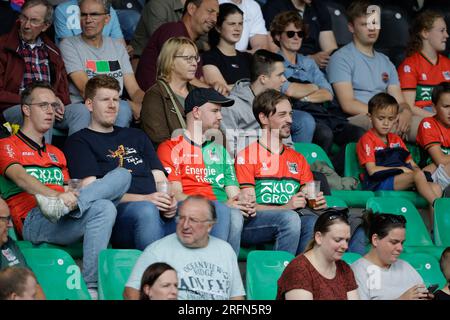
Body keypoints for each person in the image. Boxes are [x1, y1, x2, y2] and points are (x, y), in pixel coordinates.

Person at [0, 81, 131, 297]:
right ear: (25, 109)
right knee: (102, 206)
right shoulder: (7, 145)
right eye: (43, 105)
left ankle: (91, 287)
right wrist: (57, 196)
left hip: (66, 213)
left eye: (53, 106)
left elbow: (69, 189)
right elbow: (21, 178)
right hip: (33, 220)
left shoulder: (56, 153)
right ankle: (92, 281)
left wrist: (70, 198)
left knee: (121, 178)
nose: (51, 111)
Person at [64, 75, 177, 251]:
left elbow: (160, 179)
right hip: (121, 214)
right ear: (89, 104)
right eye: (105, 100)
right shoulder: (79, 141)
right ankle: (154, 273)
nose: (112, 105)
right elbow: (93, 192)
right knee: (146, 210)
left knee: (201, 210)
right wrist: (146, 200)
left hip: (155, 206)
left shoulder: (136, 135)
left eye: (116, 99)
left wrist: (169, 201)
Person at [157, 87, 246, 255]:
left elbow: (234, 194)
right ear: (196, 112)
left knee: (236, 213)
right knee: (229, 213)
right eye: (215, 111)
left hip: (225, 210)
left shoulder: (221, 151)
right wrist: (219, 206)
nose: (220, 116)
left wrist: (243, 201)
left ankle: (225, 272)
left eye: (220, 111)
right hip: (191, 212)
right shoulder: (170, 148)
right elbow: (175, 194)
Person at [234, 89, 324, 255]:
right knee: (290, 218)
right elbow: (248, 208)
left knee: (314, 221)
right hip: (253, 223)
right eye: (282, 115)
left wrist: (315, 201)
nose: (290, 120)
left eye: (290, 114)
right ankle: (281, 274)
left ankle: (302, 273)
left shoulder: (298, 159)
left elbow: (310, 196)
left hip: (291, 218)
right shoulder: (246, 156)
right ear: (263, 118)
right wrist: (286, 207)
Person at [270, 10, 364, 166]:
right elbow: (289, 90)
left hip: (322, 113)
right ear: (278, 36)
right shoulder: (274, 62)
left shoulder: (308, 63)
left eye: (300, 34)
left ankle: (332, 169)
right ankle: (316, 171)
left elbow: (328, 93)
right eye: (290, 33)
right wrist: (313, 86)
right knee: (324, 133)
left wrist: (305, 95)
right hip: (296, 114)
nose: (296, 37)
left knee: (358, 134)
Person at [327, 0, 422, 143]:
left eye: (374, 23)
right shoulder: (340, 58)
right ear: (351, 27)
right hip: (359, 117)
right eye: (365, 24)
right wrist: (385, 116)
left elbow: (400, 101)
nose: (371, 29)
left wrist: (406, 112)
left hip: (387, 116)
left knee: (430, 126)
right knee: (388, 127)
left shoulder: (386, 61)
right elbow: (348, 104)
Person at [124, 195, 246, 300]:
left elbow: (236, 296)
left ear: (209, 225)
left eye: (193, 220)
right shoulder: (157, 251)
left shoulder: (226, 250)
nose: (185, 225)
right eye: (181, 218)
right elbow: (130, 292)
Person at [59, 0, 144, 130]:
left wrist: (148, 104)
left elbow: (134, 90)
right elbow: (86, 89)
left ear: (107, 19)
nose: (88, 20)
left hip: (114, 104)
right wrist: (128, 104)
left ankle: (117, 149)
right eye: (83, 15)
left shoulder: (118, 47)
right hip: (83, 104)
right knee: (123, 109)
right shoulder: (69, 44)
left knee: (127, 109)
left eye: (94, 14)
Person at [222, 49, 315, 157]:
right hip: (249, 167)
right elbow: (230, 150)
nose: (284, 79)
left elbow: (287, 144)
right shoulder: (232, 106)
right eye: (279, 75)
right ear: (263, 79)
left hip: (278, 166)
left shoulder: (278, 103)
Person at [0, 0, 70, 141]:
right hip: (15, 107)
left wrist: (58, 101)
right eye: (24, 18)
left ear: (45, 26)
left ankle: (78, 159)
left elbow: (64, 93)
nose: (26, 25)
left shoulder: (53, 51)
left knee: (81, 112)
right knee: (42, 111)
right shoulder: (3, 46)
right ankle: (43, 161)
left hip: (50, 105)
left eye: (34, 21)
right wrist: (36, 101)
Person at [135, 0, 219, 92]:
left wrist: (215, 86)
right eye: (210, 11)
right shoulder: (173, 30)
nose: (214, 19)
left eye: (217, 15)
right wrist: (212, 92)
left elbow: (198, 81)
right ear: (191, 9)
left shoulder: (193, 45)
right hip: (156, 101)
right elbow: (182, 77)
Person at [276, 209, 360, 300]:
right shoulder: (298, 270)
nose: (345, 246)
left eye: (347, 240)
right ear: (319, 237)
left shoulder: (344, 268)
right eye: (338, 240)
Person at [351, 210, 430, 300]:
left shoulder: (405, 267)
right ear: (375, 240)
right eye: (394, 242)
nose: (400, 248)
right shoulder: (358, 272)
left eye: (402, 242)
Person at [140, 37, 197, 146]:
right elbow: (159, 141)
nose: (194, 63)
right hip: (174, 159)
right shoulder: (155, 95)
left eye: (195, 58)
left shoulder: (198, 93)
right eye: (188, 58)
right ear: (170, 61)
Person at [398, 10, 450, 116]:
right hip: (423, 118)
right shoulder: (410, 65)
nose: (447, 35)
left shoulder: (447, 63)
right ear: (425, 33)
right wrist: (438, 119)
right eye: (442, 30)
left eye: (446, 31)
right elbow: (409, 107)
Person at [262, 0, 338, 69]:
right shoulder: (273, 7)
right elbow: (274, 51)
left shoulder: (319, 7)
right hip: (286, 67)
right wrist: (310, 59)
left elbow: (330, 49)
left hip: (316, 68)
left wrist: (327, 58)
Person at [202, 3, 252, 94]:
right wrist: (251, 87)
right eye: (232, 24)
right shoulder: (209, 57)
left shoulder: (248, 58)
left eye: (240, 23)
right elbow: (223, 92)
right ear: (218, 28)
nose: (237, 28)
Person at [416, 82, 450, 204]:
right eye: (446, 106)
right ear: (434, 107)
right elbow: (439, 160)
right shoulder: (428, 124)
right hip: (430, 177)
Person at [53, 0, 125, 45]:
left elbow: (120, 47)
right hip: (76, 64)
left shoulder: (110, 10)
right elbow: (68, 49)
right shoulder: (62, 9)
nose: (88, 20)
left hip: (106, 62)